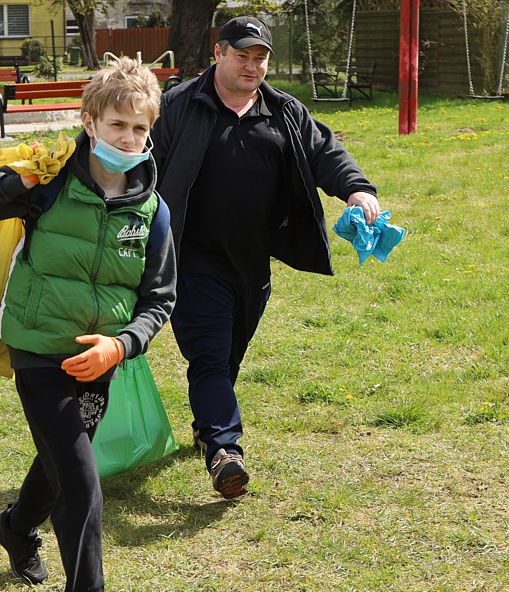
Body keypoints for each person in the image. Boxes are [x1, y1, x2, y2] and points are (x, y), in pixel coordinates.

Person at [0, 57, 176, 592]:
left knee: (61, 461)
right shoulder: (48, 180)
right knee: (83, 485)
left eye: (140, 128)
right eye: (117, 125)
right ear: (90, 123)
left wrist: (121, 346)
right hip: (39, 352)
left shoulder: (152, 212)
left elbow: (159, 299)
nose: (129, 138)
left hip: (99, 364)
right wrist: (10, 183)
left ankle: (15, 527)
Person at [150, 16, 381, 500]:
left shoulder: (284, 111)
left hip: (253, 258)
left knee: (229, 352)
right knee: (209, 353)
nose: (252, 66)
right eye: (242, 55)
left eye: (260, 58)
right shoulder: (179, 106)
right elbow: (138, 155)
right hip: (191, 256)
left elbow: (326, 152)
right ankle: (224, 450)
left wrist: (356, 189)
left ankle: (207, 422)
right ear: (218, 53)